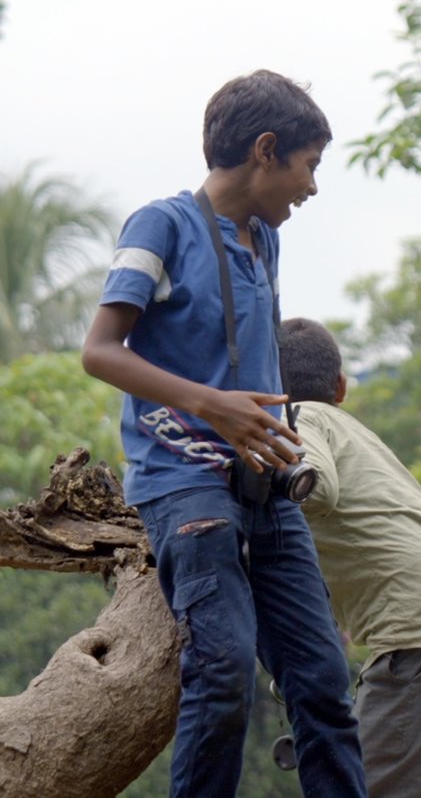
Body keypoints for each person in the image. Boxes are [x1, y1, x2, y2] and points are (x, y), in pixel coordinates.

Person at [81, 70, 367, 798]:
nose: (311, 187)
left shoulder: (265, 238)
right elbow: (100, 350)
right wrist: (214, 406)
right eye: (309, 165)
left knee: (325, 684)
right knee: (224, 671)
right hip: (186, 487)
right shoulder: (161, 225)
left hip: (266, 488)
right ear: (265, 151)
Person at [278, 316, 421, 797]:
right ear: (340, 386)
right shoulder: (351, 428)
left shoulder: (300, 419)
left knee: (366, 789)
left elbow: (316, 487)